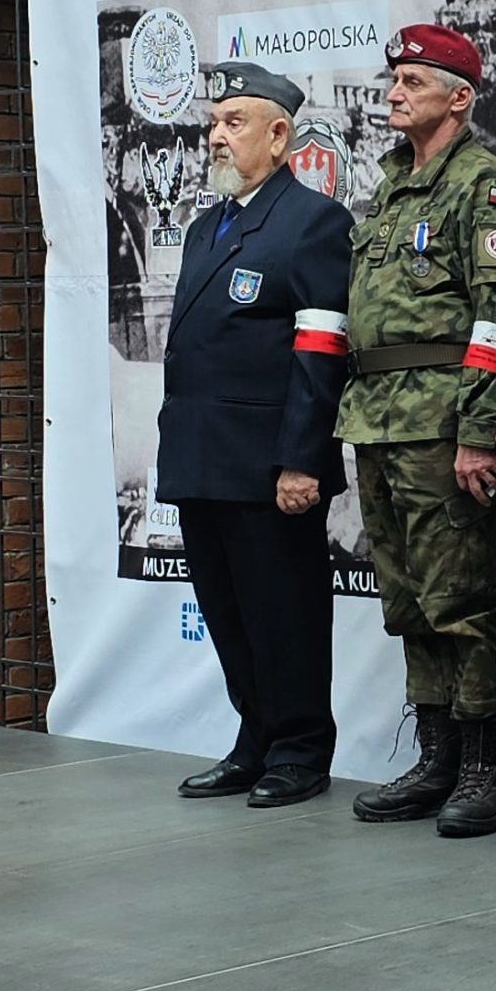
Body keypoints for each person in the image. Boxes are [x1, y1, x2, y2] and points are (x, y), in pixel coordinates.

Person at [339, 23, 496, 837]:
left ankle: (487, 770)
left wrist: (478, 432)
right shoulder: (389, 187)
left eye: (412, 81)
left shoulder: (486, 184)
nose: (393, 93)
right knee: (409, 600)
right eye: (394, 80)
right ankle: (437, 758)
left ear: (459, 98)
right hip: (377, 420)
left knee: (461, 600)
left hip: (442, 423)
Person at [156, 68, 353, 808]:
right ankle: (257, 738)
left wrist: (301, 459)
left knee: (285, 614)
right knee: (229, 613)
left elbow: (320, 355)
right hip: (203, 457)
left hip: (269, 465)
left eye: (233, 121)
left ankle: (299, 749)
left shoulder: (313, 221)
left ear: (278, 135)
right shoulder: (206, 227)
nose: (215, 135)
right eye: (214, 121)